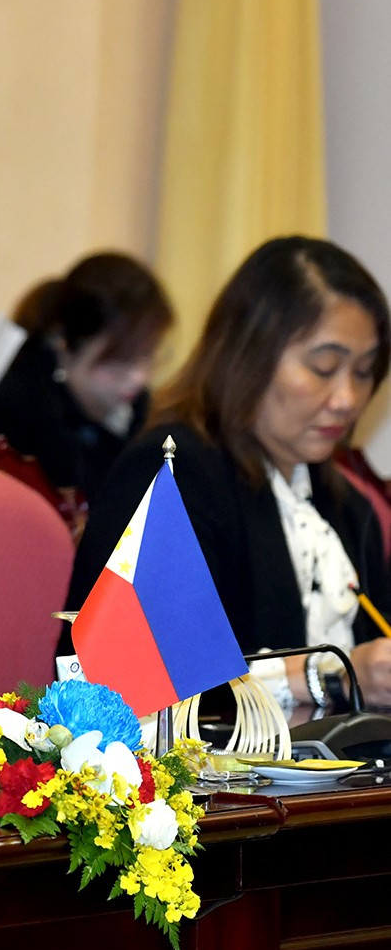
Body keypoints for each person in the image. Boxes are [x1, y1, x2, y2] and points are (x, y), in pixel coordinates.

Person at [64, 236, 391, 713]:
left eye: (364, 372)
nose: (347, 398)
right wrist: (332, 678)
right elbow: (130, 685)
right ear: (250, 352)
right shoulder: (173, 474)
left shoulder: (346, 508)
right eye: (323, 367)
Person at [0, 252, 172, 504]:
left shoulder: (141, 412)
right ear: (65, 343)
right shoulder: (18, 407)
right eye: (118, 363)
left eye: (147, 356)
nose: (138, 377)